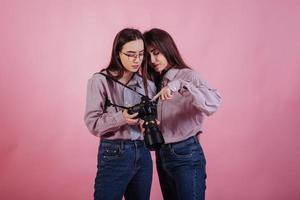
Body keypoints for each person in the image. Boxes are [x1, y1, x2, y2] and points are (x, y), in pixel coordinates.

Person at [143, 28, 221, 200]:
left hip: (186, 153)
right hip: (162, 154)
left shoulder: (187, 75)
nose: (153, 60)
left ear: (167, 49)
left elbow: (214, 102)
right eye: (148, 56)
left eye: (156, 53)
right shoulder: (156, 80)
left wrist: (181, 85)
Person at [84, 28, 156, 200]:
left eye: (140, 54)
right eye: (130, 54)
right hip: (114, 153)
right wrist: (122, 117)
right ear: (118, 53)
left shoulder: (148, 85)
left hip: (143, 152)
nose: (137, 60)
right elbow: (93, 123)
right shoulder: (99, 81)